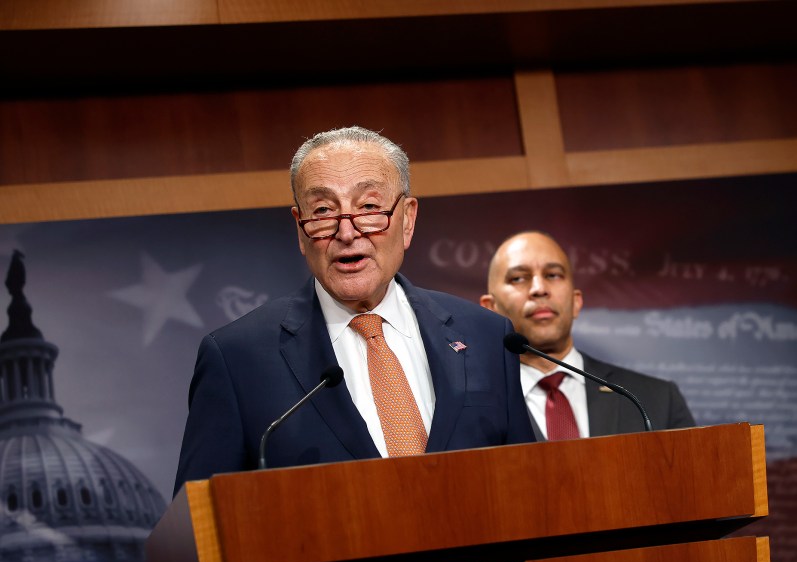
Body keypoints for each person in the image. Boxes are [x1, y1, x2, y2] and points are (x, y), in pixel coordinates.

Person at [173, 127, 534, 494]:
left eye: (369, 207)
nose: (347, 232)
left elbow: (530, 485)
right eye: (324, 211)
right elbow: (198, 523)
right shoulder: (238, 359)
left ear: (407, 220)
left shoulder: (487, 338)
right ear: (300, 230)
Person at [480, 231, 694, 440]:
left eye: (553, 275)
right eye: (518, 278)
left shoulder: (655, 400)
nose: (539, 289)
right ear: (490, 309)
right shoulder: (467, 407)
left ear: (576, 302)